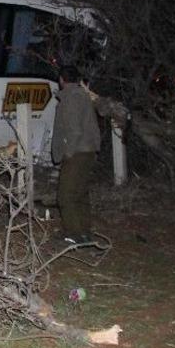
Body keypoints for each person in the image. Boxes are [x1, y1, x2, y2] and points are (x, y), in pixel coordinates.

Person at [51, 65, 125, 244]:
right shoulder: (84, 96)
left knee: (65, 195)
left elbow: (74, 130)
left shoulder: (70, 98)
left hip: (77, 152)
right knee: (80, 193)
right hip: (89, 150)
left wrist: (68, 152)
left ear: (61, 80)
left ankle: (74, 234)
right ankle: (84, 231)